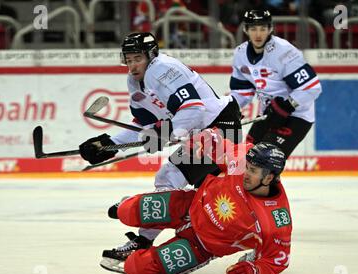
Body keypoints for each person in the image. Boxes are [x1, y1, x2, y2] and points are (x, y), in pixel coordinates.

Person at [79, 32, 241, 260]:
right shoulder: (134, 80)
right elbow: (143, 125)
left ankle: (142, 237)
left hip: (221, 129)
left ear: (151, 55)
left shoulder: (161, 68)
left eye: (138, 58)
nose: (133, 65)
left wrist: (164, 132)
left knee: (171, 176)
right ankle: (148, 237)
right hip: (203, 132)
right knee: (204, 194)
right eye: (129, 59)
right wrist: (109, 145)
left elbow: (194, 110)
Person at [100, 128, 292, 274]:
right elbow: (222, 146)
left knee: (136, 268)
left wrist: (256, 271)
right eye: (247, 167)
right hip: (189, 205)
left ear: (269, 177)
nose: (246, 173)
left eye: (253, 171)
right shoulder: (243, 159)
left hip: (201, 246)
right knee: (125, 211)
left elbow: (278, 261)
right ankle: (130, 205)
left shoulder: (276, 220)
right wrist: (206, 138)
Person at [230, 9, 322, 158]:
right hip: (269, 114)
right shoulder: (240, 54)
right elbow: (242, 92)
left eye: (263, 28)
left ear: (270, 29)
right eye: (253, 28)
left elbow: (312, 88)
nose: (258, 34)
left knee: (265, 161)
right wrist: (229, 107)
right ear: (246, 29)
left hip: (297, 116)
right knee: (246, 158)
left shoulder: (284, 52)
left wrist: (287, 105)